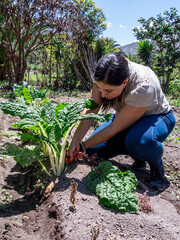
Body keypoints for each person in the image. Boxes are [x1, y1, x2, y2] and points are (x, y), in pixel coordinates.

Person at [67, 52, 176, 191]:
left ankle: (157, 171)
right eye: (99, 89)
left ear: (124, 82)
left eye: (108, 91)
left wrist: (81, 147)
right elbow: (91, 109)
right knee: (93, 150)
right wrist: (75, 142)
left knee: (140, 142)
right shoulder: (103, 75)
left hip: (156, 117)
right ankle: (138, 157)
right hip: (124, 116)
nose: (103, 95)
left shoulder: (143, 86)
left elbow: (114, 127)